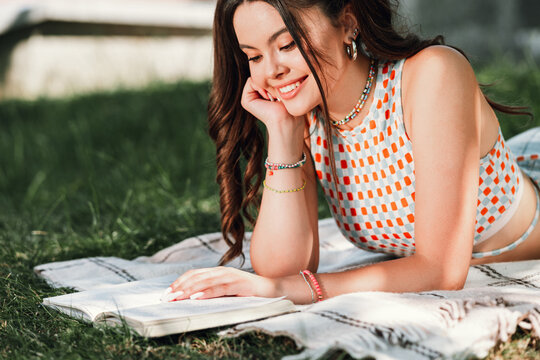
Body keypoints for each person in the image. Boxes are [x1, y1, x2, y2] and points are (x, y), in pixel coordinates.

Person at [163, 0, 540, 304]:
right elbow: (281, 267)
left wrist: (293, 291)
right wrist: (282, 132)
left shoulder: (432, 75)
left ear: (348, 23)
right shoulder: (307, 111)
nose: (272, 71)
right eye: (254, 57)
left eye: (287, 45)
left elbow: (441, 272)